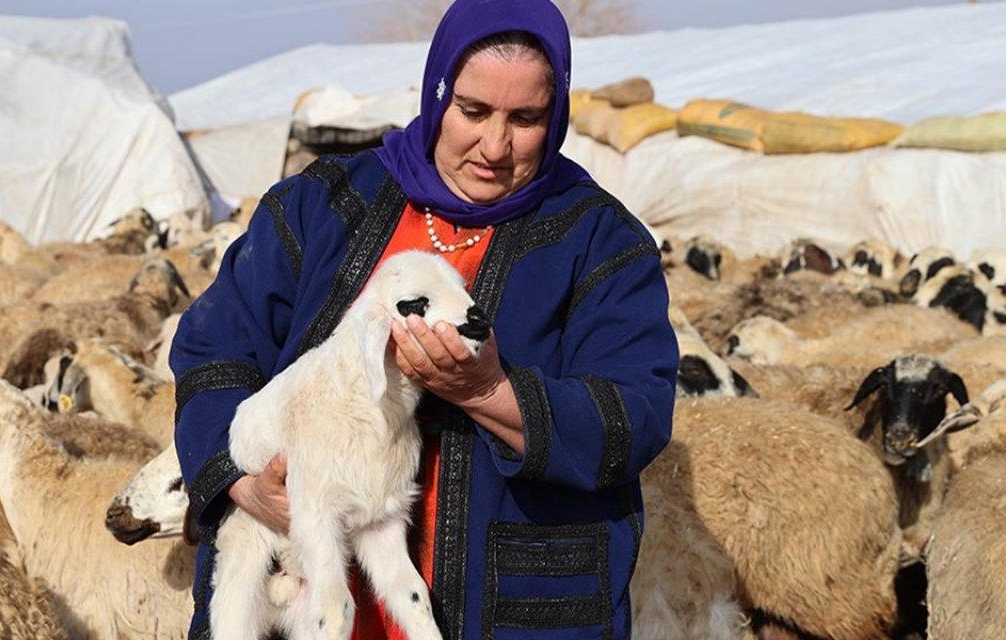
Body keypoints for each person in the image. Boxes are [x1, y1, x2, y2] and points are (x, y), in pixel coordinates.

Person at [171, 1, 678, 638]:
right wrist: (242, 483)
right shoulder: (325, 205)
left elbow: (633, 416)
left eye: (526, 119)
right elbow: (213, 351)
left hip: (514, 607)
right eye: (473, 112)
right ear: (437, 94)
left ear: (558, 116)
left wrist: (491, 392)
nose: (496, 146)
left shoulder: (599, 242)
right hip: (296, 591)